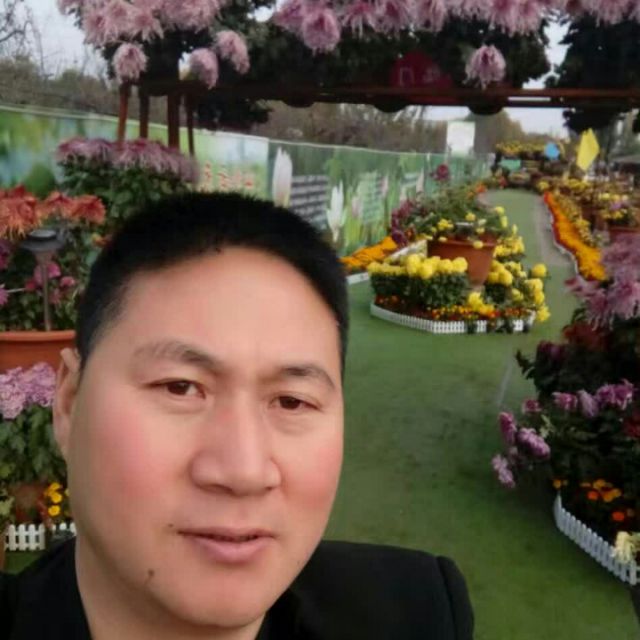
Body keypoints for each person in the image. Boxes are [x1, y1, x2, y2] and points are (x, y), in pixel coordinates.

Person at [0, 192, 473, 639]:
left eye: (291, 401)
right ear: (69, 402)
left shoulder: (411, 613)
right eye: (180, 387)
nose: (244, 471)